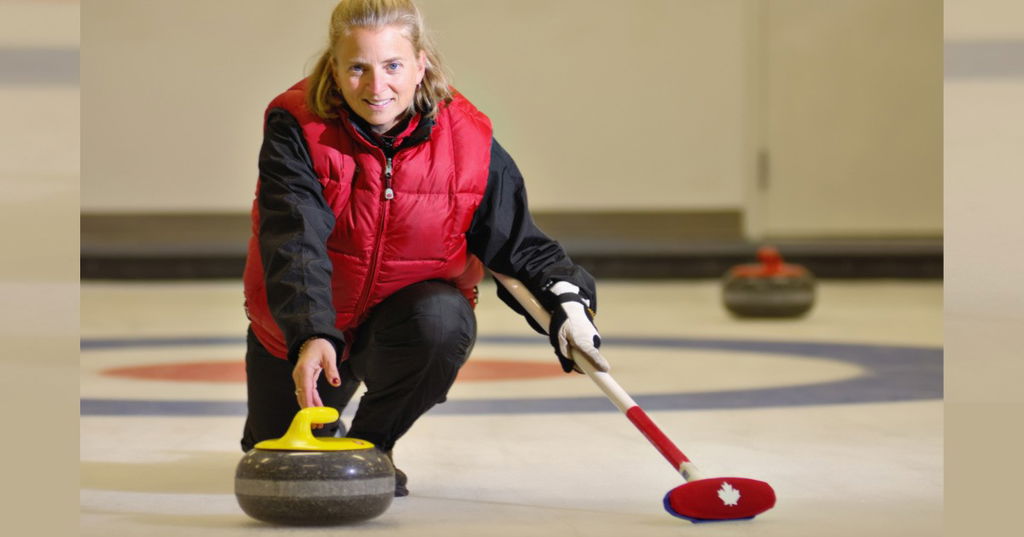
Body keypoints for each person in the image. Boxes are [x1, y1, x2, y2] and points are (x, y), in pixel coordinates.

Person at [240, 0, 609, 497]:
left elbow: (518, 241)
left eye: (393, 65)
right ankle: (317, 415)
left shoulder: (468, 139)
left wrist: (568, 302)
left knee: (443, 320)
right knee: (276, 462)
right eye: (358, 68)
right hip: (311, 325)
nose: (377, 87)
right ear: (335, 69)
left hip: (401, 325)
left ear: (421, 64)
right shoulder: (297, 125)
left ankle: (371, 448)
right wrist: (309, 332)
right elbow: (294, 236)